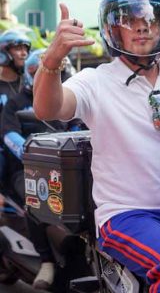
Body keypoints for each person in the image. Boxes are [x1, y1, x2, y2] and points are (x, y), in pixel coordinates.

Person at [33, 0, 160, 292]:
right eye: (130, 20)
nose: (142, 27)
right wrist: (53, 58)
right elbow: (48, 108)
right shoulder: (95, 81)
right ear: (113, 29)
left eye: (150, 19)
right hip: (127, 215)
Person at [1, 48, 78, 290]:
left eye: (59, 72)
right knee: (36, 197)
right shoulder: (16, 103)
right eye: (41, 72)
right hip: (26, 170)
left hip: (68, 167)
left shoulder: (68, 99)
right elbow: (10, 136)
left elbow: (79, 129)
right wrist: (39, 156)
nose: (51, 77)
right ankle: (46, 260)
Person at [0, 30, 31, 184]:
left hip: (31, 144)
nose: (24, 53)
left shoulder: (30, 83)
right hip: (4, 147)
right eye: (18, 48)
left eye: (26, 49)